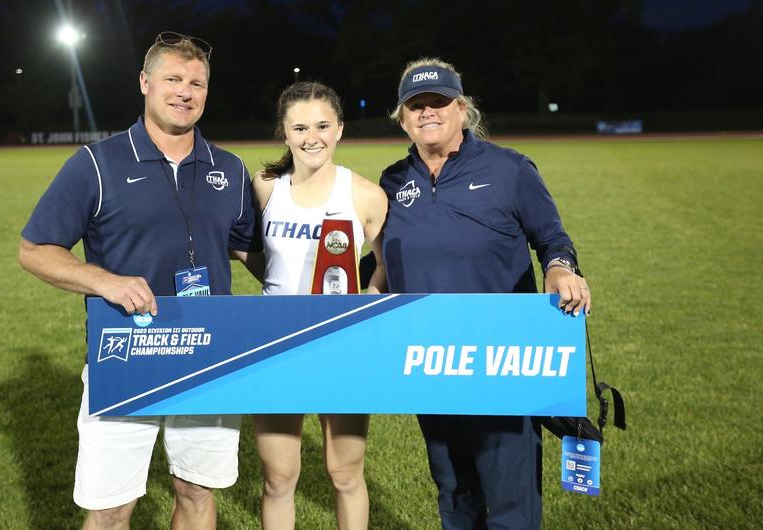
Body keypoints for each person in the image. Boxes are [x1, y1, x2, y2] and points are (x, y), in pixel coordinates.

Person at [18, 32, 256, 530]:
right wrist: (103, 281)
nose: (185, 92)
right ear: (145, 82)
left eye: (197, 82)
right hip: (125, 353)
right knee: (111, 507)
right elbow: (35, 250)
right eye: (173, 79)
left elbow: (247, 249)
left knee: (196, 490)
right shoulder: (96, 164)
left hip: (208, 354)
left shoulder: (229, 169)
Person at [367, 58, 592, 529]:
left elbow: (552, 238)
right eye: (416, 105)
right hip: (428, 360)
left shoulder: (510, 170)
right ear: (402, 117)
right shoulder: (390, 183)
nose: (428, 112)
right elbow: (380, 263)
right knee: (454, 491)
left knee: (510, 501)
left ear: (462, 109)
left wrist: (559, 268)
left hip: (500, 361)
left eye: (439, 102)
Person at [248, 81, 387, 530]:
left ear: (340, 129)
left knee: (345, 473)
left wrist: (369, 295)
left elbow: (386, 265)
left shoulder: (364, 195)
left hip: (342, 345)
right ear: (285, 133)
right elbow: (252, 252)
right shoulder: (266, 187)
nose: (313, 137)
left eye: (323, 125)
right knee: (279, 476)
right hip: (275, 343)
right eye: (301, 127)